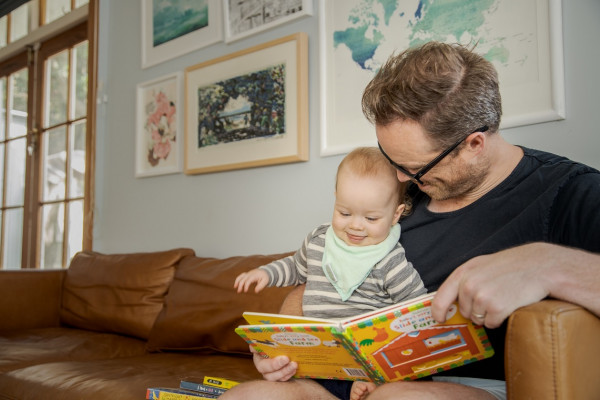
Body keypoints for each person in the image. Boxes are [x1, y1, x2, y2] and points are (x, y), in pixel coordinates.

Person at [222, 41, 600, 400]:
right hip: (354, 379)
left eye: (413, 167)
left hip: (473, 385)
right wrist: (288, 347)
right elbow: (314, 278)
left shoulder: (569, 193)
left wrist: (547, 263)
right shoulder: (398, 196)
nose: (401, 179)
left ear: (474, 144)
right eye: (393, 162)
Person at [234, 146, 427, 400]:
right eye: (344, 213)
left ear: (395, 215)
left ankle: (364, 388)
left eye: (371, 218)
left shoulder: (390, 261)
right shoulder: (319, 240)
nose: (355, 225)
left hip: (368, 365)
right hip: (318, 362)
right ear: (335, 199)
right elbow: (295, 267)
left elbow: (417, 308)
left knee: (378, 384)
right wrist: (266, 273)